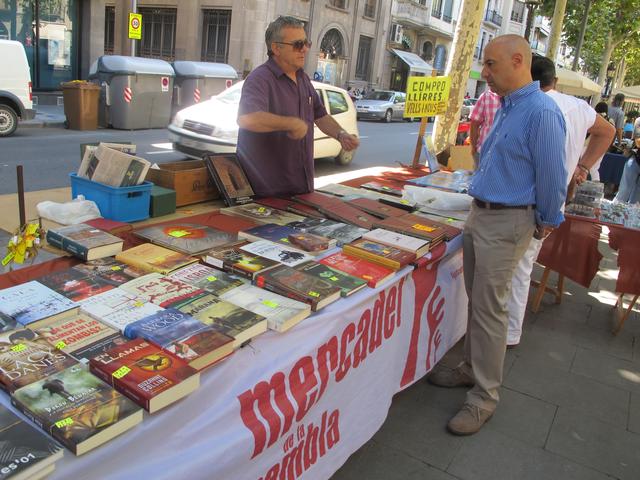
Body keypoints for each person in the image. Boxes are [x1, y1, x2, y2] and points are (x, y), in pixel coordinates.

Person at [428, 35, 568, 436]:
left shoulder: (541, 112)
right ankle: (471, 369)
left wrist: (546, 221)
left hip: (507, 221)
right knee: (480, 303)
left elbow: (553, 177)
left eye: (490, 64)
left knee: (490, 312)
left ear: (518, 61)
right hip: (483, 215)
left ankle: (483, 398)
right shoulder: (509, 105)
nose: (484, 72)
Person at [505, 56, 615, 347]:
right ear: (554, 80)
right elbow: (608, 131)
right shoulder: (577, 106)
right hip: (552, 198)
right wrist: (582, 167)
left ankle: (510, 332)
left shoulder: (532, 106)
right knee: (522, 264)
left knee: (518, 267)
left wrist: (581, 167)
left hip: (528, 201)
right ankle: (508, 330)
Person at [236, 16, 359, 197]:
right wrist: (291, 123)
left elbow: (320, 115)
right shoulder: (259, 79)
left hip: (302, 187)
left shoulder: (303, 79)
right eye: (297, 44)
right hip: (269, 192)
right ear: (276, 48)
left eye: (306, 43)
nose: (305, 49)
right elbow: (247, 119)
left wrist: (341, 135)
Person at [469, 88, 501, 160]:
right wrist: (473, 147)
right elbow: (474, 124)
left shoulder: (520, 99)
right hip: (483, 153)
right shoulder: (486, 96)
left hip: (506, 157)